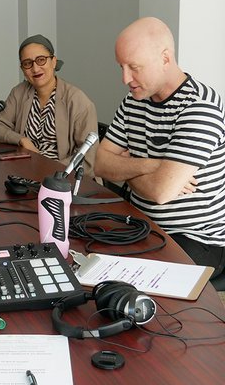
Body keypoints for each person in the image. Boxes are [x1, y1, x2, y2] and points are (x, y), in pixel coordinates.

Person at [95, 17, 225, 277]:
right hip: (142, 224)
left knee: (131, 280)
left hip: (197, 238)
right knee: (88, 260)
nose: (125, 78)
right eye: (121, 67)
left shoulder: (200, 106)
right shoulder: (134, 101)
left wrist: (126, 169)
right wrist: (153, 165)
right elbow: (100, 164)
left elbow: (161, 192)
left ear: (165, 58)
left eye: (134, 67)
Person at [0, 34, 98, 176]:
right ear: (22, 68)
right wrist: (22, 140)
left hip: (61, 179)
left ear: (53, 61)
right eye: (28, 63)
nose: (35, 69)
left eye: (41, 60)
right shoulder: (19, 92)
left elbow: (88, 159)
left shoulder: (78, 101)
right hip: (24, 173)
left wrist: (48, 169)